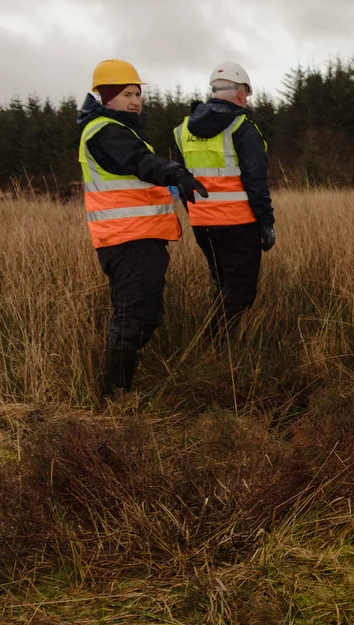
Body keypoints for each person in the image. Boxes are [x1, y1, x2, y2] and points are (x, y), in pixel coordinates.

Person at [77, 59, 208, 396]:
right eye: (126, 94)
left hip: (140, 237)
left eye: (137, 93)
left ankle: (118, 389)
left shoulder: (121, 129)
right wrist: (176, 172)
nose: (135, 100)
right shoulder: (106, 130)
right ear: (107, 98)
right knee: (134, 316)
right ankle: (115, 396)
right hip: (126, 240)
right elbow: (140, 162)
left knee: (145, 314)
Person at [173, 62, 275, 334]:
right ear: (241, 93)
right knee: (240, 291)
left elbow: (181, 179)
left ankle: (214, 344)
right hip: (239, 224)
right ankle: (221, 346)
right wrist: (266, 223)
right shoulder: (243, 128)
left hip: (202, 224)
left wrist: (194, 212)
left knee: (221, 282)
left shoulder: (182, 130)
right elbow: (255, 182)